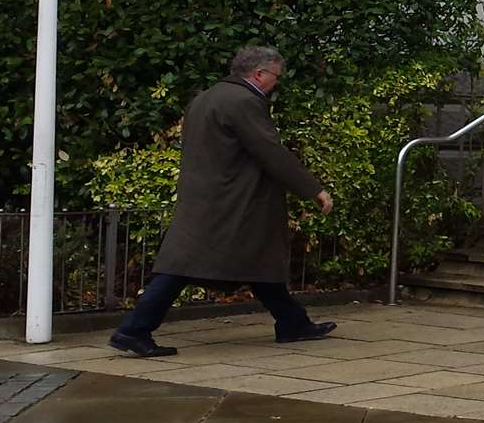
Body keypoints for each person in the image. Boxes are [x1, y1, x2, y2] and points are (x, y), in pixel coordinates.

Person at [108, 46, 336, 358]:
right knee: (180, 268)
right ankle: (133, 330)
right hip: (233, 200)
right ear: (258, 74)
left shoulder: (207, 97)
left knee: (258, 261)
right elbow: (270, 152)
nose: (276, 83)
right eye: (275, 76)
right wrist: (313, 189)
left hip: (208, 195)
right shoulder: (243, 101)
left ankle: (293, 322)